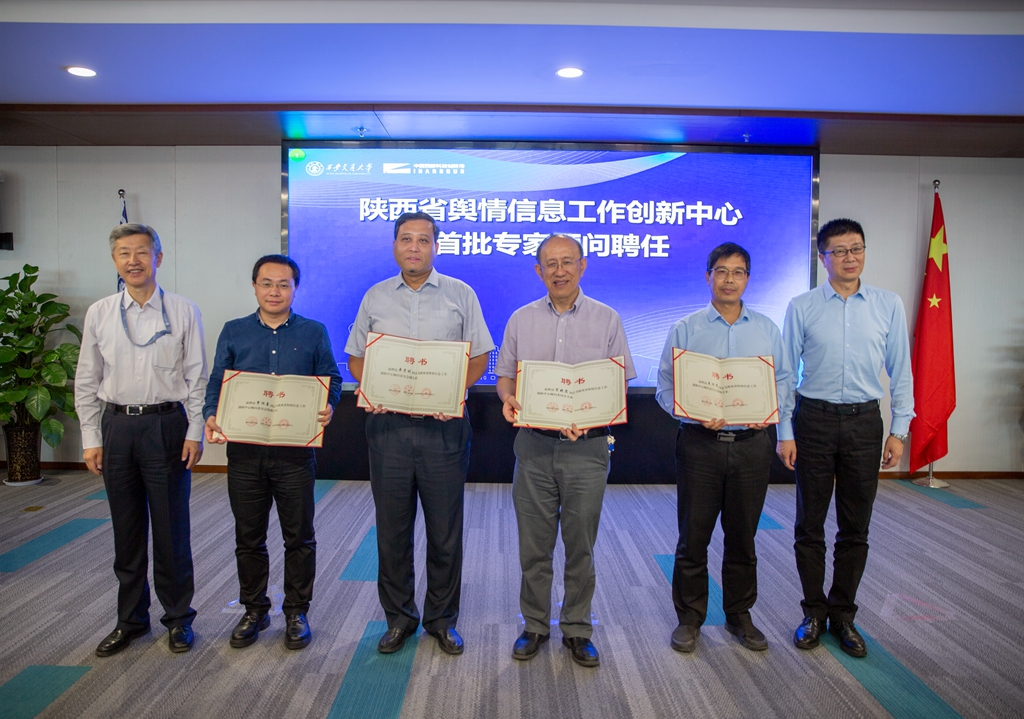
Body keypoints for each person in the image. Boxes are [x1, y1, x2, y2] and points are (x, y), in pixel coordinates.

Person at [345, 211, 494, 656]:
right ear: (395, 246)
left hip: (443, 429)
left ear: (435, 246)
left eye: (423, 240)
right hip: (388, 428)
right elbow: (356, 358)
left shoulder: (460, 294)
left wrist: (450, 391)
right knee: (392, 531)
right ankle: (399, 619)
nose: (414, 247)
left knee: (445, 530)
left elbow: (479, 357)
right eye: (406, 239)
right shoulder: (375, 297)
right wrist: (373, 387)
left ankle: (442, 620)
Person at [496, 233, 635, 669]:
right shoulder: (520, 319)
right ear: (539, 271)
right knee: (533, 545)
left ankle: (577, 627)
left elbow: (618, 383)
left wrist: (594, 415)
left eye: (568, 262)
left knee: (581, 546)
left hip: (588, 450)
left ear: (582, 265)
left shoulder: (607, 319)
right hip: (534, 446)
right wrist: (508, 398)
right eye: (551, 264)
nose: (560, 271)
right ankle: (535, 624)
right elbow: (505, 377)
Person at [777, 218, 914, 658]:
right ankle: (813, 613)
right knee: (810, 524)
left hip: (864, 422)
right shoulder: (802, 306)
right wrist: (785, 431)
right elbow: (784, 373)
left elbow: (901, 370)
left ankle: (844, 615)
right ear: (823, 258)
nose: (849, 257)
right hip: (813, 420)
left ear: (864, 253)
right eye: (838, 250)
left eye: (856, 248)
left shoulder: (888, 304)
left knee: (855, 526)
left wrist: (899, 429)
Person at [75, 223, 208, 656]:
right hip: (116, 428)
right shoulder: (100, 312)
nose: (133, 261)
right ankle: (130, 620)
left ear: (158, 258)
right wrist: (91, 437)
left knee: (171, 530)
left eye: (142, 252)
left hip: (166, 427)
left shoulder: (183, 311)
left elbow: (197, 378)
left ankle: (178, 618)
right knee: (126, 530)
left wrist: (194, 431)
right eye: (124, 253)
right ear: (115, 261)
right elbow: (87, 379)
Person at [654, 242, 790, 654]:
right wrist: (690, 412)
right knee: (692, 537)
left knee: (743, 537)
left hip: (752, 445)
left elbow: (784, 380)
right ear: (708, 276)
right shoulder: (687, 328)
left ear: (747, 278)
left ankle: (739, 615)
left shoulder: (766, 329)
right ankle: (689, 618)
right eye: (722, 271)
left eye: (738, 272)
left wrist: (770, 411)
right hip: (700, 445)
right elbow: (665, 386)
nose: (729, 279)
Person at [204, 254, 341, 650]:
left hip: (295, 453)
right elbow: (218, 381)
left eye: (283, 284)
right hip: (245, 453)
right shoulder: (234, 331)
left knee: (299, 536)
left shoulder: (313, 331)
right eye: (267, 283)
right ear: (254, 287)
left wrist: (329, 404)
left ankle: (297, 611)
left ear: (295, 289)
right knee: (249, 536)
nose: (275, 291)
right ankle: (255, 609)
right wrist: (212, 413)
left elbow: (331, 378)